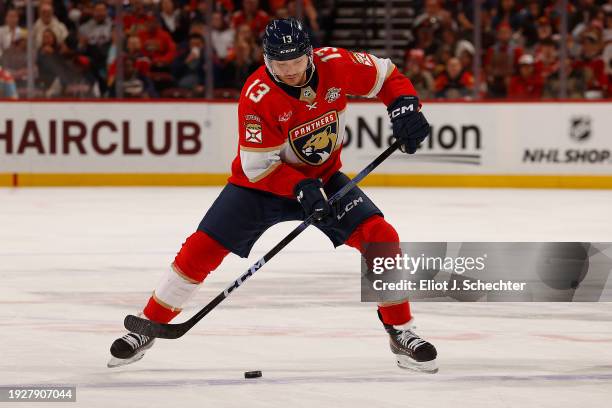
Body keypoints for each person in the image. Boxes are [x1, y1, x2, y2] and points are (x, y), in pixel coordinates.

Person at [108, 19, 436, 373]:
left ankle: (401, 331)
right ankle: (150, 325)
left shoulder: (335, 64)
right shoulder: (257, 95)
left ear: (309, 53)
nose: (291, 71)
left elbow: (386, 76)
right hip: (261, 187)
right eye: (281, 64)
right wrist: (299, 187)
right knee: (201, 248)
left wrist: (403, 107)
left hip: (323, 179)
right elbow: (258, 166)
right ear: (267, 60)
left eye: (296, 62)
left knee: (381, 237)